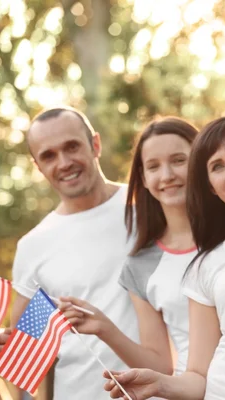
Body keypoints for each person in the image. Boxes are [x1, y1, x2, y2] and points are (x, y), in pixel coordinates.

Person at [103, 115, 225, 400]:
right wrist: (159, 384)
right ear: (209, 182)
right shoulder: (207, 263)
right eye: (218, 166)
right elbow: (197, 373)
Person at [0, 106, 139, 399]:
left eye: (72, 147)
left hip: (161, 391)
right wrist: (2, 348)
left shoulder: (147, 206)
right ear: (37, 166)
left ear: (95, 144)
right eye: (49, 155)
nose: (64, 162)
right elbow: (26, 351)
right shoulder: (34, 246)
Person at [58, 117, 199, 376]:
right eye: (153, 167)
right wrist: (104, 328)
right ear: (143, 178)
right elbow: (161, 365)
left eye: (179, 160)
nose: (167, 175)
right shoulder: (140, 265)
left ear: (200, 161)